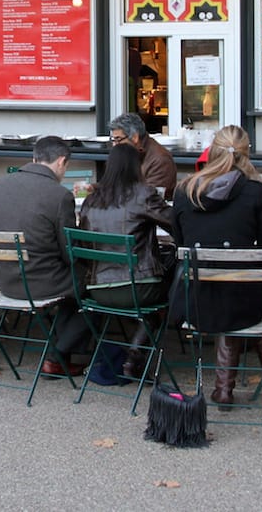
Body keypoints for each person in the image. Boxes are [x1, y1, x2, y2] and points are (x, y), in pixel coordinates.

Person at [168, 125, 262, 409]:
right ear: (247, 154)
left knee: (228, 289)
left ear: (212, 151)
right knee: (248, 289)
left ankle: (225, 387)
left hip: (194, 302)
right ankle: (231, 382)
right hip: (243, 304)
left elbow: (179, 242)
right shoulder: (255, 192)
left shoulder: (185, 190)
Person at [0, 135, 83, 376]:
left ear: (34, 158)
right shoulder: (59, 195)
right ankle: (58, 356)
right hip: (42, 284)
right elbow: (69, 253)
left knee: (76, 285)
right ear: (62, 161)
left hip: (5, 282)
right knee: (94, 289)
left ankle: (59, 354)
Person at [77, 142, 174, 379]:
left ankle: (130, 356)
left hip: (97, 289)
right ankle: (134, 356)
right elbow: (175, 223)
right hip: (138, 288)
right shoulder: (143, 194)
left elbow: (82, 245)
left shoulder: (91, 200)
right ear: (136, 167)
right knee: (173, 281)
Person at [109, 112, 177, 200]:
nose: (114, 145)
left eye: (118, 139)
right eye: (113, 140)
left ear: (134, 137)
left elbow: (150, 198)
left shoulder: (160, 160)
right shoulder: (125, 154)